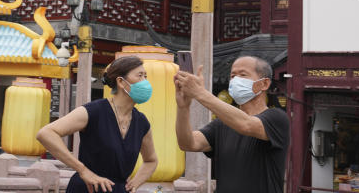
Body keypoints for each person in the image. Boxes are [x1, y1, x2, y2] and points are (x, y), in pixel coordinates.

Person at [36, 56, 159, 193]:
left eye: (146, 76)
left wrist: (135, 182)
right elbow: (45, 133)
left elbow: (151, 160)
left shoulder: (141, 122)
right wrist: (82, 170)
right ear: (121, 82)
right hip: (87, 188)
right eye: (140, 76)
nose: (145, 82)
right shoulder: (94, 111)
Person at [174, 55, 289, 193]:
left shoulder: (276, 118)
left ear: (264, 84)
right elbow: (187, 143)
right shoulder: (221, 124)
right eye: (233, 76)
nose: (235, 80)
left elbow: (245, 125)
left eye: (243, 75)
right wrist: (183, 108)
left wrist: (200, 93)